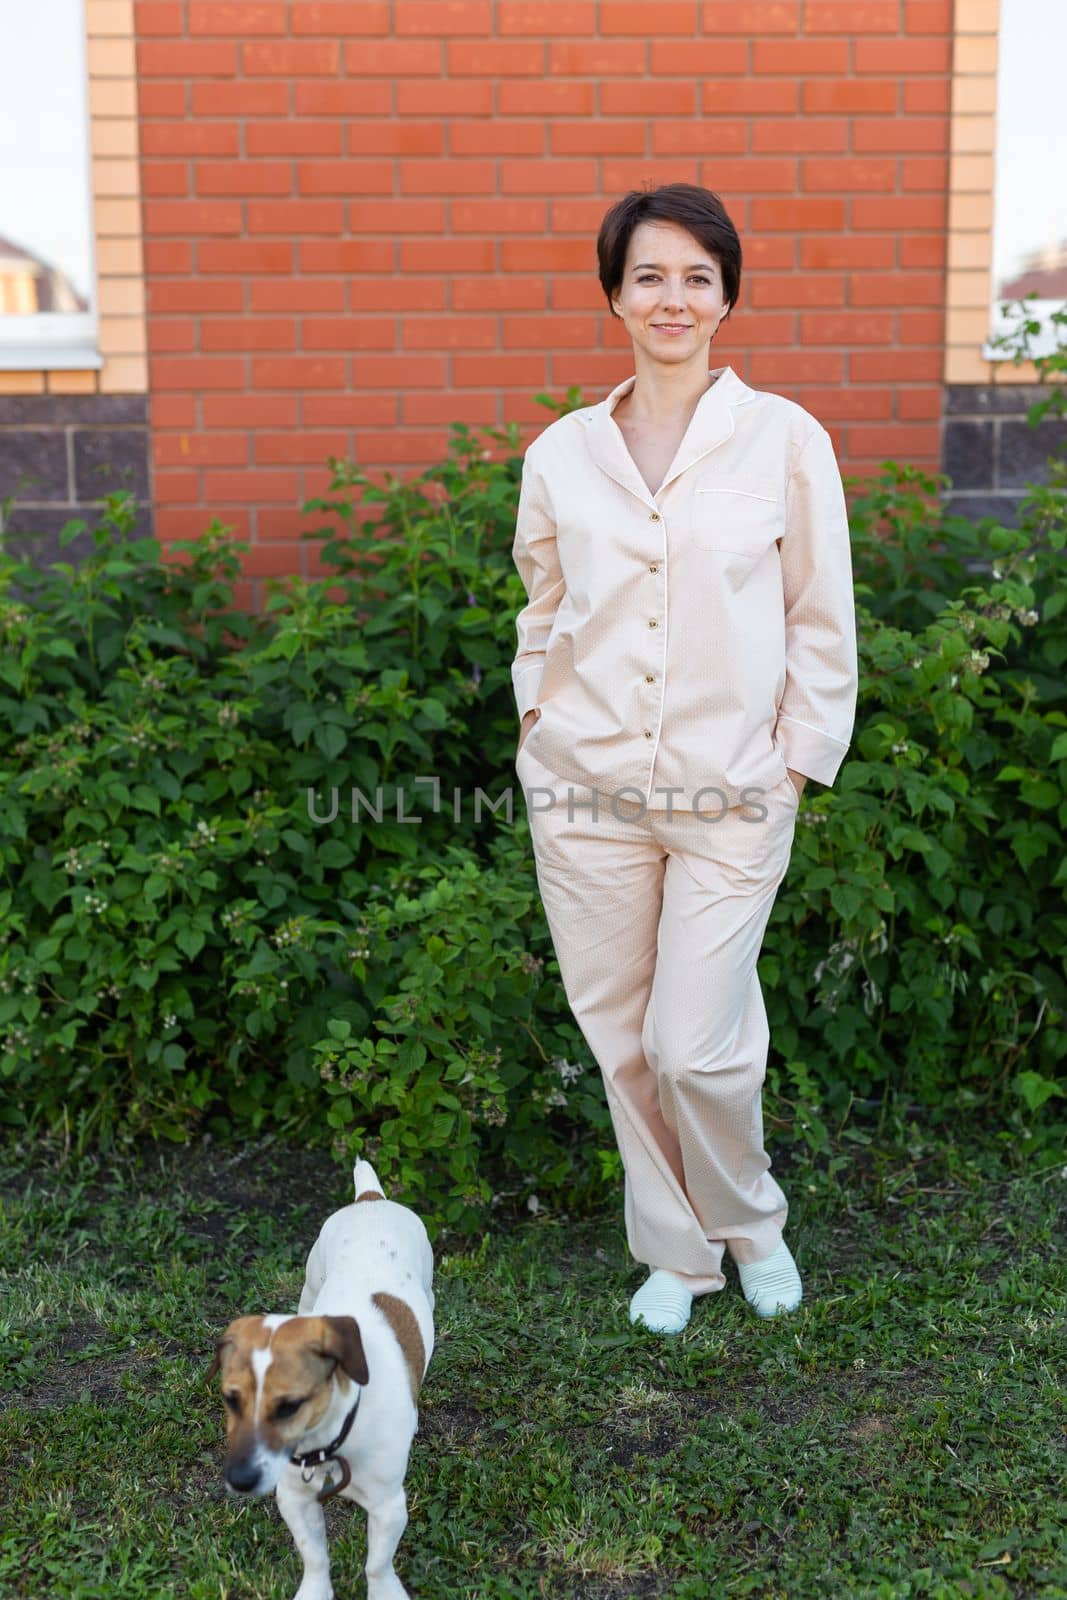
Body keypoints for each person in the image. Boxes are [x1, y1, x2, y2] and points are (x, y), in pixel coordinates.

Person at [508, 183, 859, 1335]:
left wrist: (793, 765)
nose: (672, 296)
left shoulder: (783, 440)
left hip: (732, 790)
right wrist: (534, 730)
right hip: (585, 790)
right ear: (612, 293)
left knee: (692, 1043)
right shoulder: (561, 454)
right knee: (622, 1040)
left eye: (696, 276)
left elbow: (819, 616)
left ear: (726, 298)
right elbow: (541, 609)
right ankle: (677, 1253)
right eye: (648, 274)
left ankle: (750, 1223)